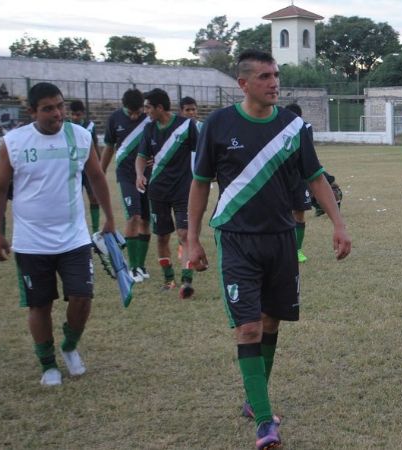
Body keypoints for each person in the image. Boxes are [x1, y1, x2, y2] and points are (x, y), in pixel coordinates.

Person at [187, 49, 351, 450]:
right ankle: (264, 421)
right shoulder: (218, 125)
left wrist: (338, 224)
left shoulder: (294, 127)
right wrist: (190, 239)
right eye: (264, 76)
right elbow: (200, 183)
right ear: (243, 84)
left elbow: (314, 179)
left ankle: (252, 399)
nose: (273, 82)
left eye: (275, 75)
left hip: (281, 240)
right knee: (248, 327)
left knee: (272, 322)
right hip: (237, 239)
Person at [0, 82, 116, 386]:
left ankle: (69, 345)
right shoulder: (15, 142)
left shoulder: (80, 136)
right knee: (40, 305)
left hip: (74, 238)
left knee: (82, 297)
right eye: (48, 108)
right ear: (32, 111)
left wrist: (110, 218)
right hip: (31, 242)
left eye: (59, 106)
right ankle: (48, 364)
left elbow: (96, 176)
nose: (57, 113)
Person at [136, 88, 198, 299]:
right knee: (162, 237)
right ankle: (168, 279)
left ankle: (187, 280)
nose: (145, 111)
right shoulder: (149, 129)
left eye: (148, 107)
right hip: (158, 191)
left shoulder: (186, 126)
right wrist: (139, 174)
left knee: (183, 234)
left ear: (159, 107)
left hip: (183, 189)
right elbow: (141, 156)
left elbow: (201, 151)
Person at [100, 88, 152, 283]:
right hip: (126, 175)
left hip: (148, 176)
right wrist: (100, 171)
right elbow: (109, 147)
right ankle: (132, 267)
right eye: (131, 112)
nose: (135, 115)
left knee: (146, 221)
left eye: (138, 111)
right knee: (133, 217)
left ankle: (141, 265)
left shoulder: (149, 119)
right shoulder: (115, 119)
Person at [284, 103, 314, 263]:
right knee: (283, 214)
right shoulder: (277, 129)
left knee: (299, 214)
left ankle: (297, 250)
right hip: (281, 178)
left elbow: (307, 154)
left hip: (300, 178)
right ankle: (284, 249)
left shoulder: (306, 127)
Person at [69, 99, 102, 233]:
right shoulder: (65, 126)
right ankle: (74, 229)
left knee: (94, 198)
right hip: (73, 168)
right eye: (73, 114)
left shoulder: (90, 126)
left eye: (77, 114)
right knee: (73, 200)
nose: (75, 117)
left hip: (87, 168)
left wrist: (99, 163)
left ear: (82, 113)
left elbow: (94, 145)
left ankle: (95, 230)